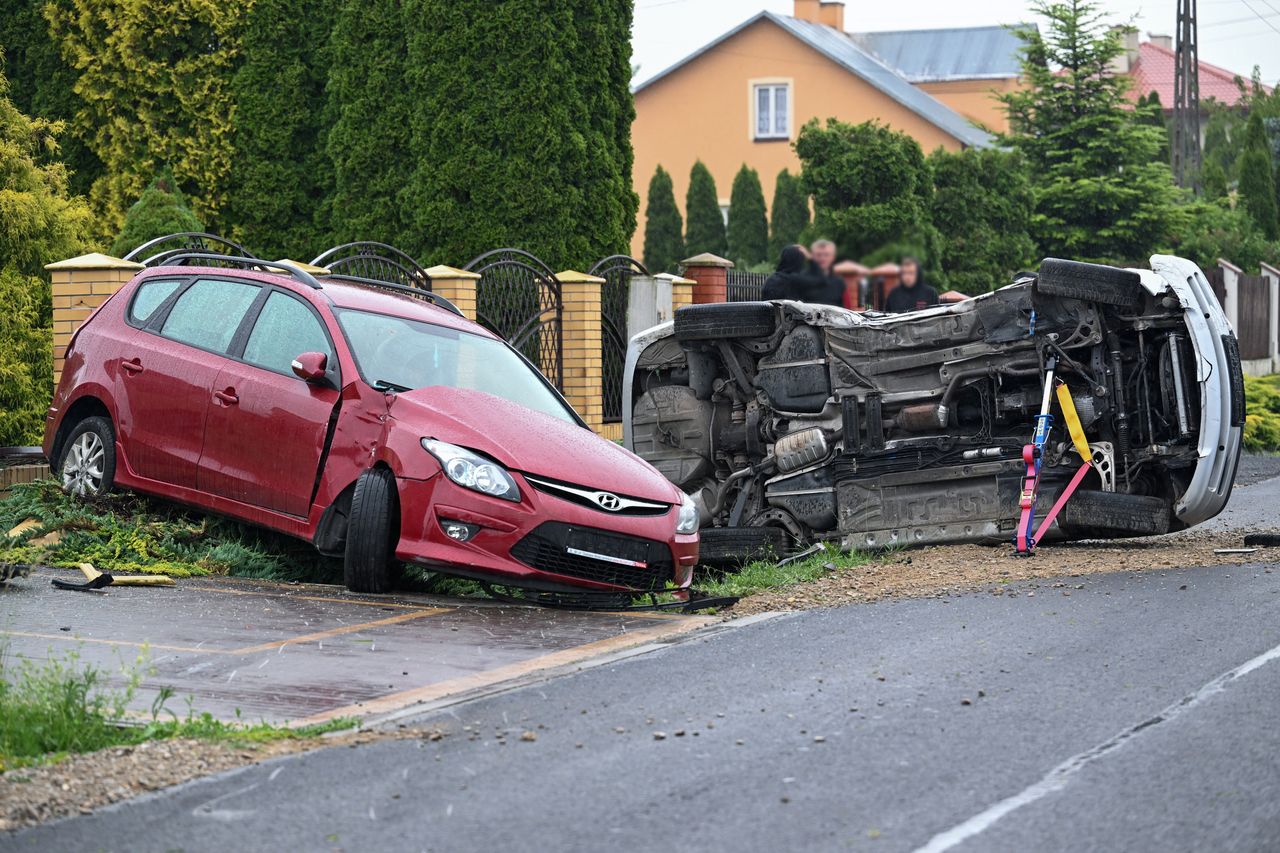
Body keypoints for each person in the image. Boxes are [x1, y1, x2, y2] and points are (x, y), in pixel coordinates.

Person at [807, 238, 846, 306]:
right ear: (812, 256)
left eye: (826, 255)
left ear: (833, 257)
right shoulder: (800, 280)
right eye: (818, 255)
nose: (822, 258)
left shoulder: (839, 283)